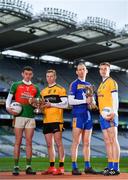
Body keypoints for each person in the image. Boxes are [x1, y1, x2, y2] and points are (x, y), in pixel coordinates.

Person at [6, 66, 40, 176]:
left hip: (30, 117)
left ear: (32, 75)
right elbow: (8, 99)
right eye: (26, 74)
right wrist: (8, 108)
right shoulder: (16, 85)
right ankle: (16, 167)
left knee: (29, 142)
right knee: (18, 141)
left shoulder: (36, 87)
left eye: (30, 74)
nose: (28, 76)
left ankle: (28, 167)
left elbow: (38, 103)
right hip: (19, 116)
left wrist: (36, 104)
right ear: (22, 74)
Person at [68, 63, 98, 175]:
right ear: (76, 72)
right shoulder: (74, 84)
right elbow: (70, 101)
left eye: (83, 69)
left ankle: (87, 167)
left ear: (86, 71)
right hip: (78, 115)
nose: (81, 71)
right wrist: (85, 101)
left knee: (87, 143)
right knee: (76, 142)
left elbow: (92, 101)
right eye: (79, 70)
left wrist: (93, 103)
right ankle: (74, 167)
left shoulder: (89, 85)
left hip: (88, 116)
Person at [40, 69, 68, 175]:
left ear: (55, 77)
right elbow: (43, 106)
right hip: (46, 120)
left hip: (57, 120)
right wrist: (39, 108)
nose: (49, 78)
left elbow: (65, 104)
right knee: (49, 144)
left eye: (51, 76)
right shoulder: (43, 92)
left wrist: (51, 104)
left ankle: (61, 167)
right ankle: (51, 167)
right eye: (47, 76)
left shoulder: (60, 89)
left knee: (58, 143)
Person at [97, 62, 120, 175]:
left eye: (105, 69)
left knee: (113, 140)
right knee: (107, 141)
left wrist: (114, 113)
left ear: (109, 70)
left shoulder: (112, 82)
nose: (103, 71)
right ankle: (110, 165)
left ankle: (116, 167)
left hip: (111, 114)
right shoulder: (100, 85)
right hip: (102, 116)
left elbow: (115, 99)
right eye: (101, 69)